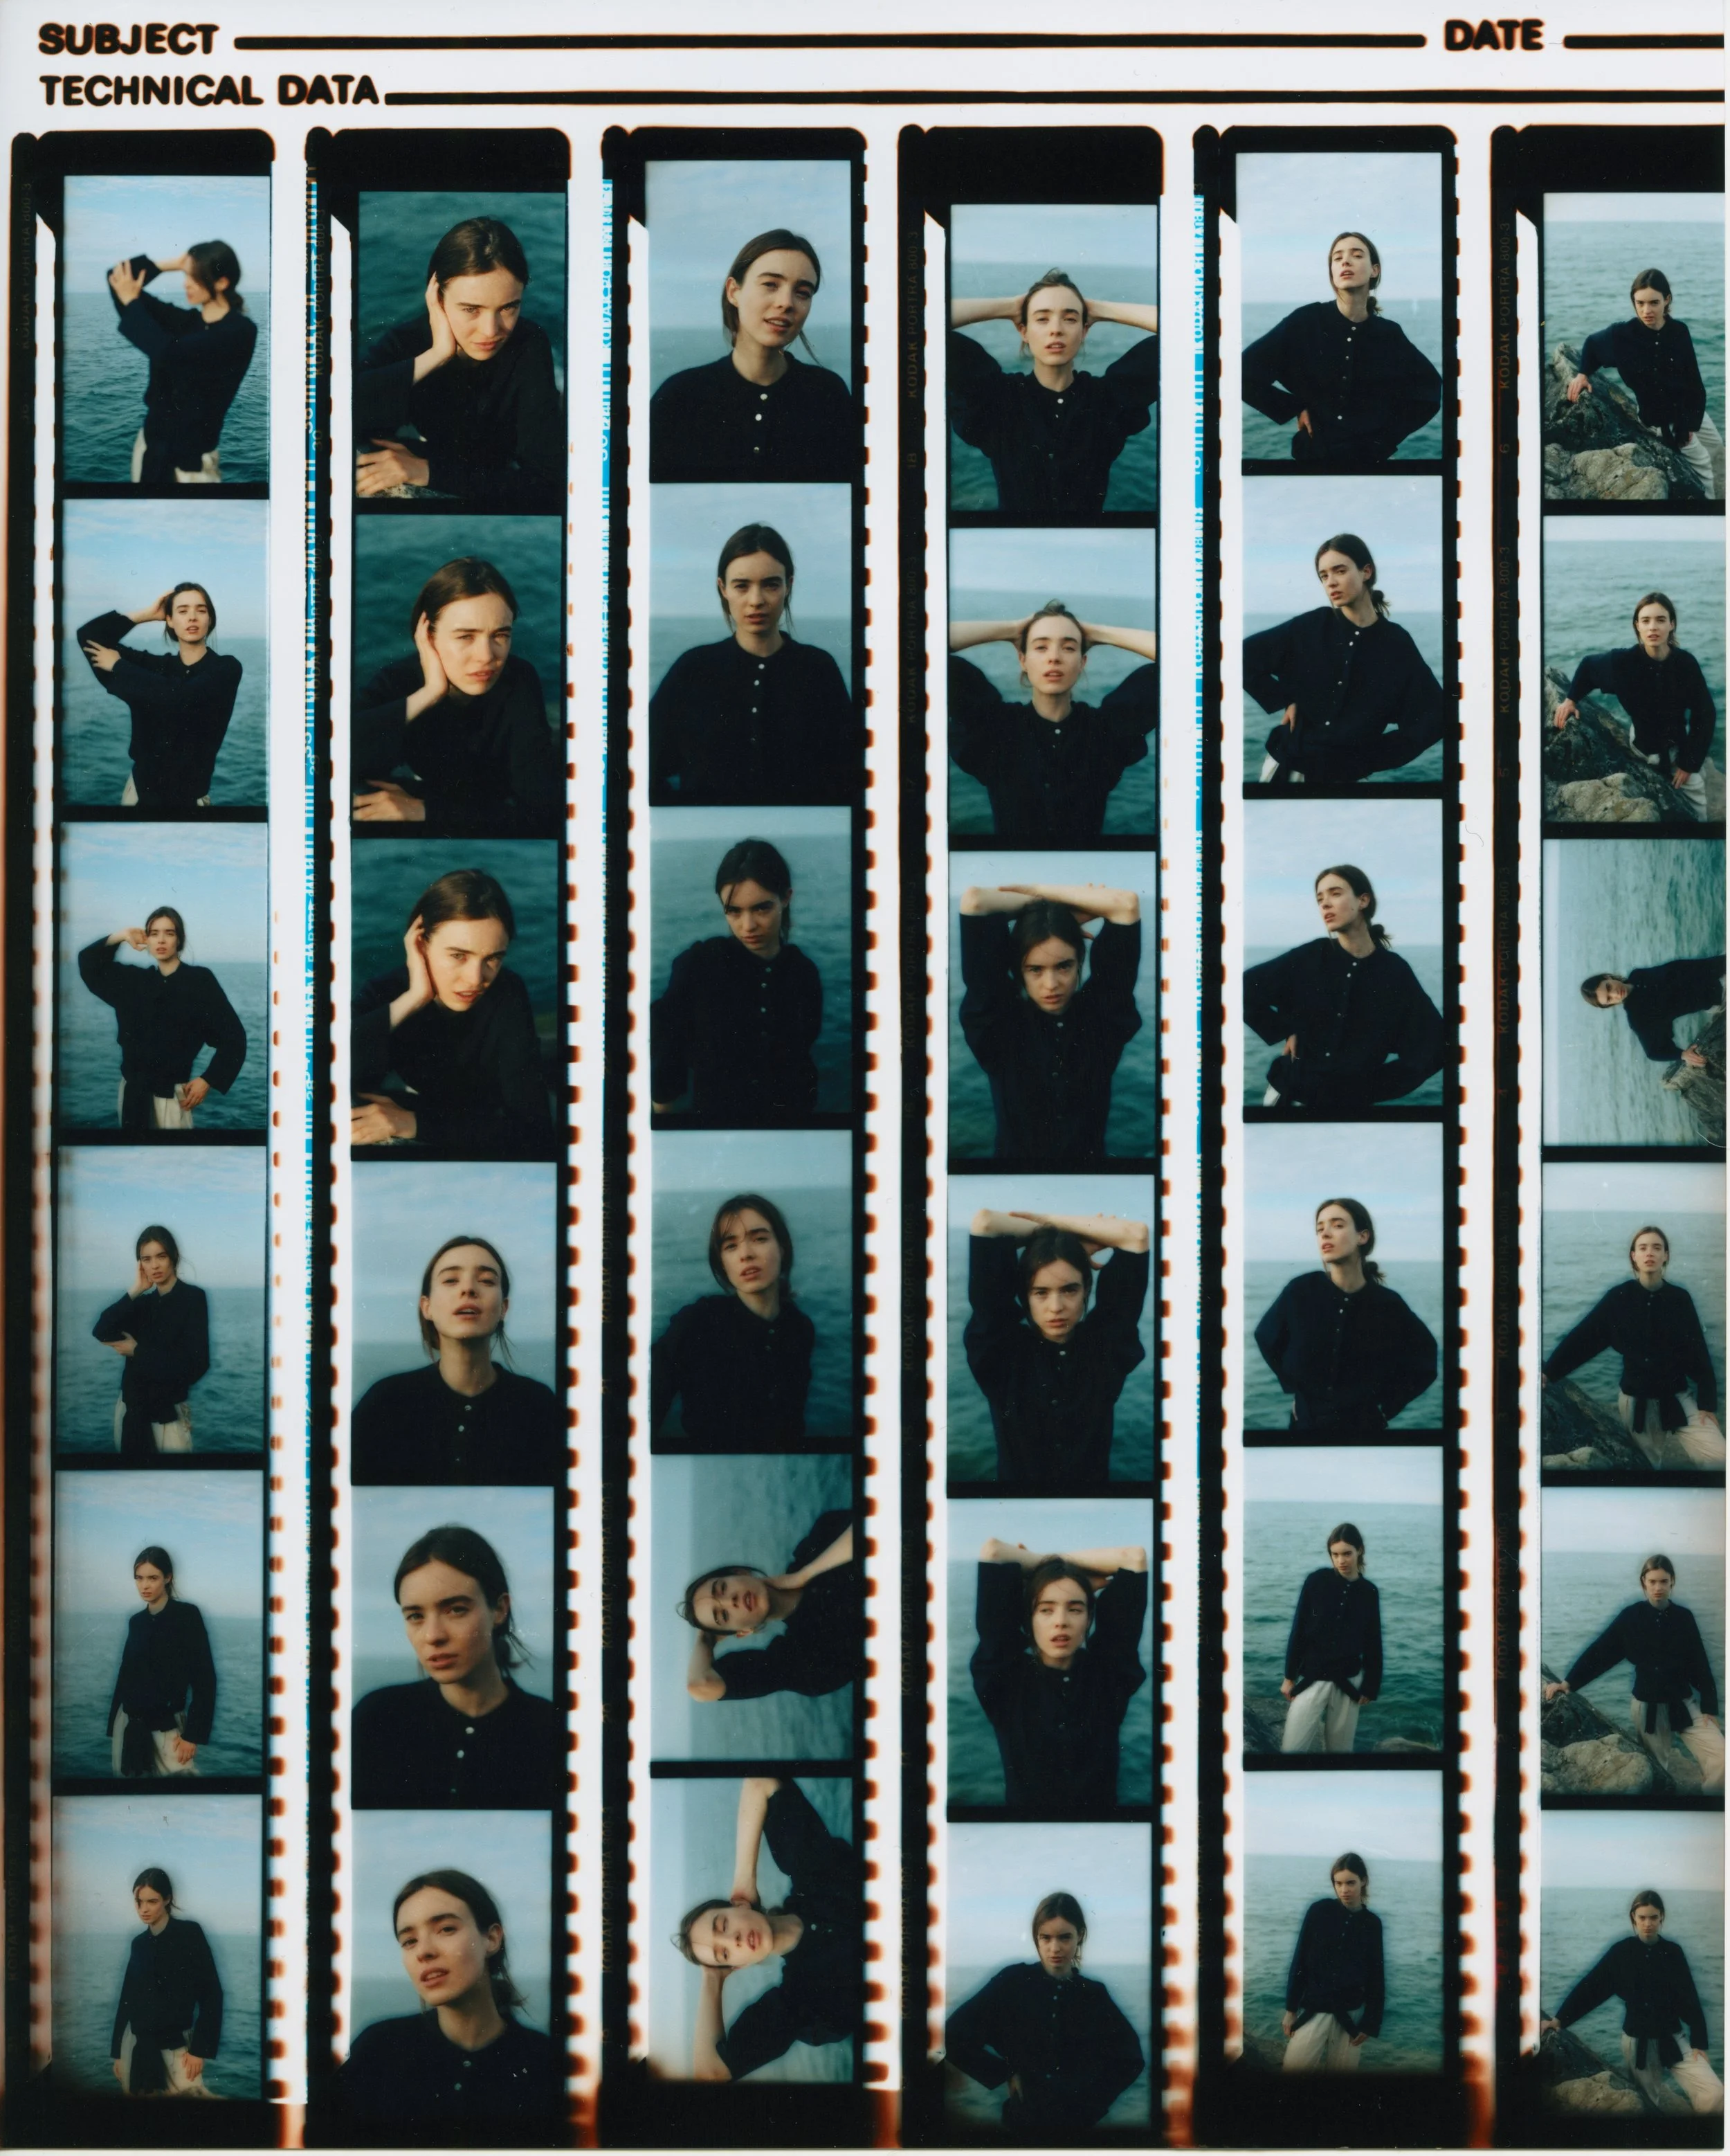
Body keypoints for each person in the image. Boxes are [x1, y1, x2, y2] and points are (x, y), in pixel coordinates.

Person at [356, 217, 561, 511]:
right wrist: (438, 354)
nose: (491, 331)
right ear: (437, 299)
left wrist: (427, 471)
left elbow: (547, 483)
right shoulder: (408, 341)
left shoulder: (529, 343)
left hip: (491, 464)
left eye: (508, 308)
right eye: (471, 309)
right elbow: (337, 410)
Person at [331, 1869, 559, 2126]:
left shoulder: (548, 2062)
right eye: (409, 1941)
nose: (424, 1951)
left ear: (491, 1938)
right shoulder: (378, 2050)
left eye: (446, 1929)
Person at [352, 1525, 558, 1809]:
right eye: (415, 1616)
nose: (433, 1636)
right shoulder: (375, 1719)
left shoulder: (551, 1729)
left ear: (499, 1609)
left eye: (456, 1609)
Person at [351, 869, 554, 1157]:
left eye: (493, 958)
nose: (476, 979)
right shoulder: (386, 992)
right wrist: (413, 999)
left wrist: (412, 1123)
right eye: (458, 955)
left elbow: (534, 1129)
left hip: (469, 1125)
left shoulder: (507, 992)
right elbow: (319, 1073)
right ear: (421, 944)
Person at [650, 523, 856, 806]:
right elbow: (645, 767)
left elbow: (848, 776)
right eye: (742, 586)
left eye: (771, 585)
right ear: (723, 588)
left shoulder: (819, 670)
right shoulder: (693, 669)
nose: (756, 601)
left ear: (788, 586)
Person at [353, 558, 560, 836]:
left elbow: (543, 811)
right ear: (429, 637)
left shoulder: (518, 679)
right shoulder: (399, 681)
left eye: (500, 635)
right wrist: (429, 694)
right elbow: (331, 761)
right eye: (465, 637)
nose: (486, 656)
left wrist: (424, 810)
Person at [675, 1777, 861, 2081]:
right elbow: (710, 2075)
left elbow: (760, 1780)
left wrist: (744, 1881)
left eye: (723, 1924)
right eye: (724, 1954)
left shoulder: (811, 1869)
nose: (734, 1939)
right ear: (737, 1966)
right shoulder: (798, 2001)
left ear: (738, 1906)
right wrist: (712, 1980)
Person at [650, 229, 859, 483]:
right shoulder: (678, 398)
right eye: (770, 284)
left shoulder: (829, 395)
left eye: (803, 292)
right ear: (733, 292)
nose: (786, 302)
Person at [948, 268, 1158, 518]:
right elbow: (919, 317)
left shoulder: (1109, 399)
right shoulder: (998, 399)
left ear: (1084, 331)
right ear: (1023, 331)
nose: (1056, 329)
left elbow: (1189, 326)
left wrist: (1099, 309)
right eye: (1042, 319)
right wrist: (1009, 306)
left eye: (1070, 319)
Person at [352, 1235, 562, 1484]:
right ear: (427, 1307)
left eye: (487, 1280)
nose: (468, 1289)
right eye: (451, 1280)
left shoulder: (540, 1407)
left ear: (503, 1308)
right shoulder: (384, 1404)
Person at [957, 881, 1143, 1163]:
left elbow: (1126, 904)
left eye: (1064, 966)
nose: (1051, 984)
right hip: (1014, 1175)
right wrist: (1051, 912)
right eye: (1035, 969)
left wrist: (1048, 909)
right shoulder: (998, 1026)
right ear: (1018, 970)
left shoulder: (1102, 1018)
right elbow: (974, 901)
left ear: (1080, 961)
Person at [963, 1206, 1150, 1487]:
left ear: (1087, 1290)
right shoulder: (1000, 1354)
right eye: (1041, 1292)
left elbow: (1137, 1235)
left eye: (1069, 1290)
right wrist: (1060, 1235)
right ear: (1025, 1296)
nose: (1056, 1307)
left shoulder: (1106, 1348)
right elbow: (985, 1222)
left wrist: (1053, 1229)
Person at [1246, 534, 1447, 785]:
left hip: (1346, 779)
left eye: (1340, 571)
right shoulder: (1311, 626)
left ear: (1366, 572)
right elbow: (1244, 657)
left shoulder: (1396, 643)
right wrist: (1285, 699)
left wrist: (1371, 758)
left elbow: (1436, 717)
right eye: (1324, 576)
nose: (1331, 582)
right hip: (1289, 768)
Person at [944, 1891, 1145, 2139]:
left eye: (1065, 1937)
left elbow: (1130, 2059)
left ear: (1080, 1935)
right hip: (1021, 2124)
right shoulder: (1012, 1982)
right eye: (1046, 1938)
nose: (1055, 1948)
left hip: (1077, 2129)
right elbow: (952, 2036)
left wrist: (1092, 2104)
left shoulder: (1093, 1994)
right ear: (1036, 1938)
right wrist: (1004, 2073)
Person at [970, 1537, 1149, 1816]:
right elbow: (993, 1550)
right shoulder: (1004, 1682)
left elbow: (1134, 1558)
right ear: (1028, 1618)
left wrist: (1055, 1570)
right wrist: (1058, 1572)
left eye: (1075, 1609)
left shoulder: (1109, 1676)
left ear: (1089, 1618)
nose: (1061, 1621)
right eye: (1046, 1609)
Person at [649, 838, 823, 1123]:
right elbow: (667, 1055)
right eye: (734, 911)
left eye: (762, 908)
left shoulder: (804, 972)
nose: (748, 926)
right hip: (716, 1125)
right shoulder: (697, 966)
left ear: (786, 898)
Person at [1244, 862, 1445, 1109]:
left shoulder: (1394, 972)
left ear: (1363, 901)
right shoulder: (1310, 957)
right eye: (1320, 899)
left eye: (1335, 894)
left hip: (1352, 1109)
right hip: (1290, 1098)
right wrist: (1285, 1028)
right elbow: (1242, 990)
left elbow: (1436, 1046)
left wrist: (1374, 1087)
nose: (1325, 904)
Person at [948, 606, 1158, 842]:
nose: (1054, 657)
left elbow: (1181, 654)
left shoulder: (1106, 730)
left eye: (1069, 648)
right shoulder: (996, 728)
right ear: (1023, 660)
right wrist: (1012, 630)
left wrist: (1098, 633)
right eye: (1041, 647)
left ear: (1082, 662)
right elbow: (926, 643)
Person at [1242, 230, 1442, 466]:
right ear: (1332, 272)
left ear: (1374, 270)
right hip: (1313, 460)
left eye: (1357, 255)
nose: (1345, 261)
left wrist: (1385, 439)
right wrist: (1294, 407)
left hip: (1369, 462)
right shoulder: (1305, 321)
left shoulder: (1389, 334)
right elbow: (1242, 373)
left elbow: (1429, 392)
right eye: (1337, 258)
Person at [1542, 1224, 1724, 1469]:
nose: (1650, 1253)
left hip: (1678, 1397)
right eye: (1643, 1248)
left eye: (1657, 1248)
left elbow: (1698, 1351)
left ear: (1666, 1256)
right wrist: (1549, 1373)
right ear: (1634, 1256)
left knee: (1719, 1459)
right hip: (1637, 1403)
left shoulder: (1680, 1299)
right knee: (1648, 1471)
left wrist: (1708, 1403)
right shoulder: (1618, 1298)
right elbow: (1583, 1339)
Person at [1254, 1197, 1439, 1433]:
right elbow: (1266, 1337)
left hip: (1365, 1432)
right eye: (1320, 1229)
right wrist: (1296, 1387)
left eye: (1338, 1225)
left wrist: (1387, 1406)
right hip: (1306, 1429)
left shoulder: (1388, 1305)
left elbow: (1425, 1359)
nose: (1325, 1234)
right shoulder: (1300, 1291)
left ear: (1363, 1236)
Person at [1543, 1553, 1724, 1792]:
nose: (1658, 1588)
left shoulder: (1684, 1617)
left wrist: (1710, 1706)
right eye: (1652, 1582)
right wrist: (1568, 1683)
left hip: (1683, 1702)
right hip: (1648, 1707)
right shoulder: (1631, 1617)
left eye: (1664, 1581)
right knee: (1658, 1772)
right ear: (1643, 1583)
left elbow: (1699, 1662)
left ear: (1673, 1582)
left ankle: (1707, 1805)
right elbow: (1601, 1652)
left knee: (1722, 1758)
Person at [649, 1194, 817, 1447]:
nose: (746, 1254)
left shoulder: (800, 1328)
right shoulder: (696, 1324)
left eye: (760, 1239)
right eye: (730, 1246)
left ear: (782, 1247)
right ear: (722, 1264)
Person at [1541, 1890, 1724, 2115]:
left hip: (1672, 2037)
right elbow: (1591, 1988)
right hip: (1638, 2042)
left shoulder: (1673, 1952)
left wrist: (1699, 2042)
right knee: (1648, 2106)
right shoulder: (1622, 1952)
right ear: (1633, 1918)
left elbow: (1689, 1997)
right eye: (1642, 1917)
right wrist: (1559, 2020)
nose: (1648, 1924)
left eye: (1653, 1917)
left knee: (1714, 2093)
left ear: (1662, 1917)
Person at [1551, 591, 1717, 823]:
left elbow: (1705, 714)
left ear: (1672, 624)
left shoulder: (1685, 664)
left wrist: (1689, 764)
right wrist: (1571, 700)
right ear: (1637, 626)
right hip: (1641, 744)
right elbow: (1588, 667)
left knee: (1697, 805)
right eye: (1646, 621)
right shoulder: (1623, 663)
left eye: (1660, 620)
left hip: (1675, 748)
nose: (1653, 627)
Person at [78, 907, 248, 1130]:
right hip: (132, 1097)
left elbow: (234, 1038)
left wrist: (208, 1080)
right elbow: (88, 963)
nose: (161, 940)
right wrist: (122, 935)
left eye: (169, 933)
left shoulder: (200, 982)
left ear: (180, 939)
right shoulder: (133, 982)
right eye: (154, 933)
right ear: (146, 940)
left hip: (171, 1098)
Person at [76, 585, 243, 812]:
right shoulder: (155, 668)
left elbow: (183, 698)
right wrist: (146, 615)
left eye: (201, 610)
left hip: (189, 802)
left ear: (210, 619)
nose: (192, 617)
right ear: (170, 620)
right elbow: (88, 637)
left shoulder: (226, 668)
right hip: (138, 794)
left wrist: (119, 666)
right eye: (182, 611)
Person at [106, 242, 257, 486]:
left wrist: (132, 303)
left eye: (195, 277)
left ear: (221, 282)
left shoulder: (240, 332)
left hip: (190, 466)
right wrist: (174, 264)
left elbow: (171, 354)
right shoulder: (186, 322)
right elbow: (115, 278)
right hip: (150, 449)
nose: (186, 283)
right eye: (186, 276)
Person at [1564, 269, 1720, 501]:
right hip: (1661, 416)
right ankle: (1711, 509)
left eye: (1654, 303)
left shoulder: (1679, 331)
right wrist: (1583, 374)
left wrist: (1691, 420)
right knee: (1703, 462)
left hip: (1687, 407)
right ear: (1634, 302)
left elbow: (1694, 381)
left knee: (1716, 446)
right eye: (1640, 303)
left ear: (1667, 300)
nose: (1647, 311)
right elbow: (1593, 344)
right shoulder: (1622, 335)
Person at [680, 1511, 859, 1707]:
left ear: (740, 1573)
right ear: (744, 1632)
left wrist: (806, 1574)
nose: (731, 1601)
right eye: (723, 1615)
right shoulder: (803, 1659)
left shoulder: (818, 1541)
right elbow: (701, 1685)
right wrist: (705, 1639)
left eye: (722, 1588)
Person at [91, 1224, 210, 1456]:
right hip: (131, 1411)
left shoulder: (193, 1298)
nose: (154, 1265)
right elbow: (101, 1330)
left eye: (161, 1256)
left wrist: (138, 1352)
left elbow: (197, 1366)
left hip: (167, 1415)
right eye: (146, 1259)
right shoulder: (143, 1304)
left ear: (173, 1256)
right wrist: (137, 1289)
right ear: (140, 1264)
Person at [109, 1868, 224, 2096]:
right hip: (137, 2047)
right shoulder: (139, 1944)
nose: (143, 1909)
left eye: (152, 1901)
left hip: (178, 2050)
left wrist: (199, 2050)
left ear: (168, 1899)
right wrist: (118, 2054)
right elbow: (127, 1999)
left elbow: (212, 1994)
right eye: (139, 1902)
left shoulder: (189, 1934)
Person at [106, 1546, 217, 1779]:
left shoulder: (187, 1616)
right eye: (139, 1578)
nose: (144, 1586)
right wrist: (113, 1725)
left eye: (153, 1578)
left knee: (182, 1788)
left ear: (168, 1578)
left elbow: (205, 1679)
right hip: (128, 1725)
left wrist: (192, 1736)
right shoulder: (137, 1622)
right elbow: (126, 1673)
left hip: (168, 1727)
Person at [1277, 1523, 1382, 1755]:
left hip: (1349, 1681)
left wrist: (1371, 1685)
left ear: (1360, 1551)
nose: (1341, 1561)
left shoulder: (1369, 1592)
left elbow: (1373, 1641)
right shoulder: (1316, 1581)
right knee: (1292, 1748)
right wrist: (1289, 1676)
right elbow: (1298, 1630)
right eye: (1335, 1555)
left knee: (1340, 1752)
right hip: (1313, 1677)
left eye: (1347, 1554)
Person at [1281, 1854, 1384, 2072]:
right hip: (1315, 2009)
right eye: (1338, 1883)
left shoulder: (1372, 1924)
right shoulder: (1319, 1911)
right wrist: (1291, 2009)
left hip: (1351, 2016)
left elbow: (1376, 1976)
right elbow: (1299, 1960)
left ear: (1364, 1881)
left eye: (1351, 1883)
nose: (1344, 1890)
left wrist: (1370, 2022)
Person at [1579, 958, 1724, 1070]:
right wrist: (1682, 1054)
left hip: (1715, 967)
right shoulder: (1637, 1016)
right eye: (1609, 998)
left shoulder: (1637, 975)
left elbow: (1678, 969)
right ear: (1610, 1005)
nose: (1615, 993)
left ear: (1607, 977)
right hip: (1718, 995)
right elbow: (1653, 1052)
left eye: (1608, 987)